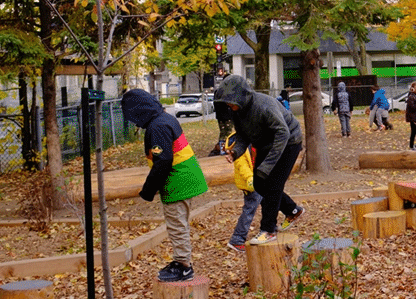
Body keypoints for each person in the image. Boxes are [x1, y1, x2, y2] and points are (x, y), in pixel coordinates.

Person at [121, 89, 208, 282]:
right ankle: (181, 261)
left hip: (177, 182)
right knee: (180, 224)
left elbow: (163, 161)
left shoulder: (158, 126)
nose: (134, 123)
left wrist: (148, 190)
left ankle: (184, 266)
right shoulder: (164, 119)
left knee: (176, 225)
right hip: (184, 179)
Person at [215, 75, 305, 245]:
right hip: (266, 143)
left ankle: (268, 230)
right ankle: (293, 210)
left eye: (230, 101)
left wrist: (267, 166)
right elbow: (242, 135)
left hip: (289, 142)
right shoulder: (237, 111)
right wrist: (235, 152)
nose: (228, 105)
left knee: (272, 185)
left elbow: (283, 134)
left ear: (241, 96)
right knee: (259, 183)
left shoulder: (265, 106)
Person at [225, 132, 262, 252]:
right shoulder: (239, 147)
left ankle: (269, 228)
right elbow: (242, 167)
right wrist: (250, 180)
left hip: (256, 180)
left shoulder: (251, 141)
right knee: (249, 210)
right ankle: (237, 239)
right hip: (250, 184)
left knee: (268, 201)